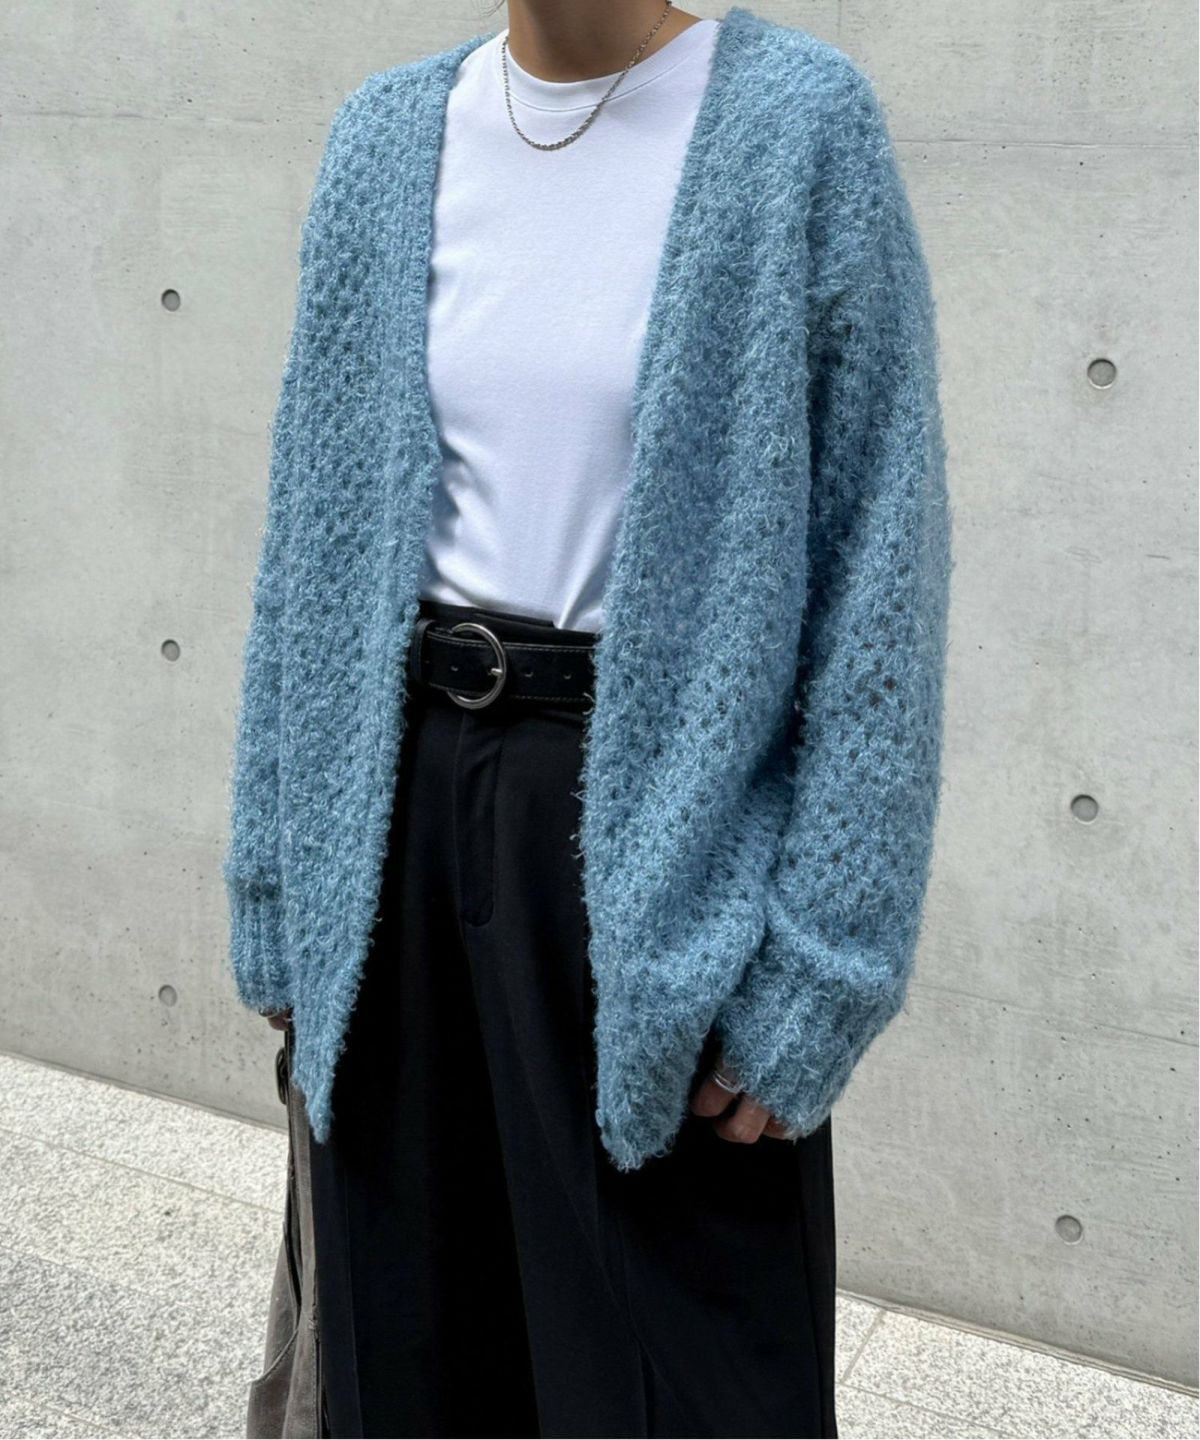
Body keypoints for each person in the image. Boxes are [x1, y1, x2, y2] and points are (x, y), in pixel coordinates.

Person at [223, 2, 953, 1436]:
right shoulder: (384, 138)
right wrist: (277, 881)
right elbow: (308, 542)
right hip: (391, 820)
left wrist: (829, 964)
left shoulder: (798, 128)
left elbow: (884, 561)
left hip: (659, 845)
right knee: (409, 1361)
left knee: (683, 1381)